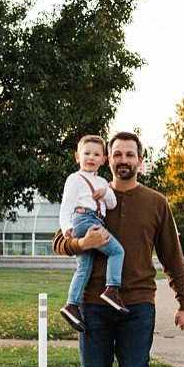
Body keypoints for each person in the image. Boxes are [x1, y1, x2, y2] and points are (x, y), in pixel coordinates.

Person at [53, 131, 184, 367]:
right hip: (92, 302)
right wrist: (82, 242)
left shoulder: (156, 202)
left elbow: (172, 257)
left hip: (137, 302)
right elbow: (59, 240)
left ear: (140, 161)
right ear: (107, 160)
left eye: (130, 154)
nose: (123, 160)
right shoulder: (88, 192)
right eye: (117, 154)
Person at [57, 135, 128, 332]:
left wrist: (106, 193)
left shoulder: (102, 182)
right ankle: (112, 289)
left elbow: (112, 204)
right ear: (77, 156)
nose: (91, 158)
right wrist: (66, 229)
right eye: (86, 153)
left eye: (96, 154)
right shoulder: (75, 179)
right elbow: (66, 207)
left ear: (103, 159)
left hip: (95, 219)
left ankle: (71, 304)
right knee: (117, 252)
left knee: (83, 269)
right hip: (85, 220)